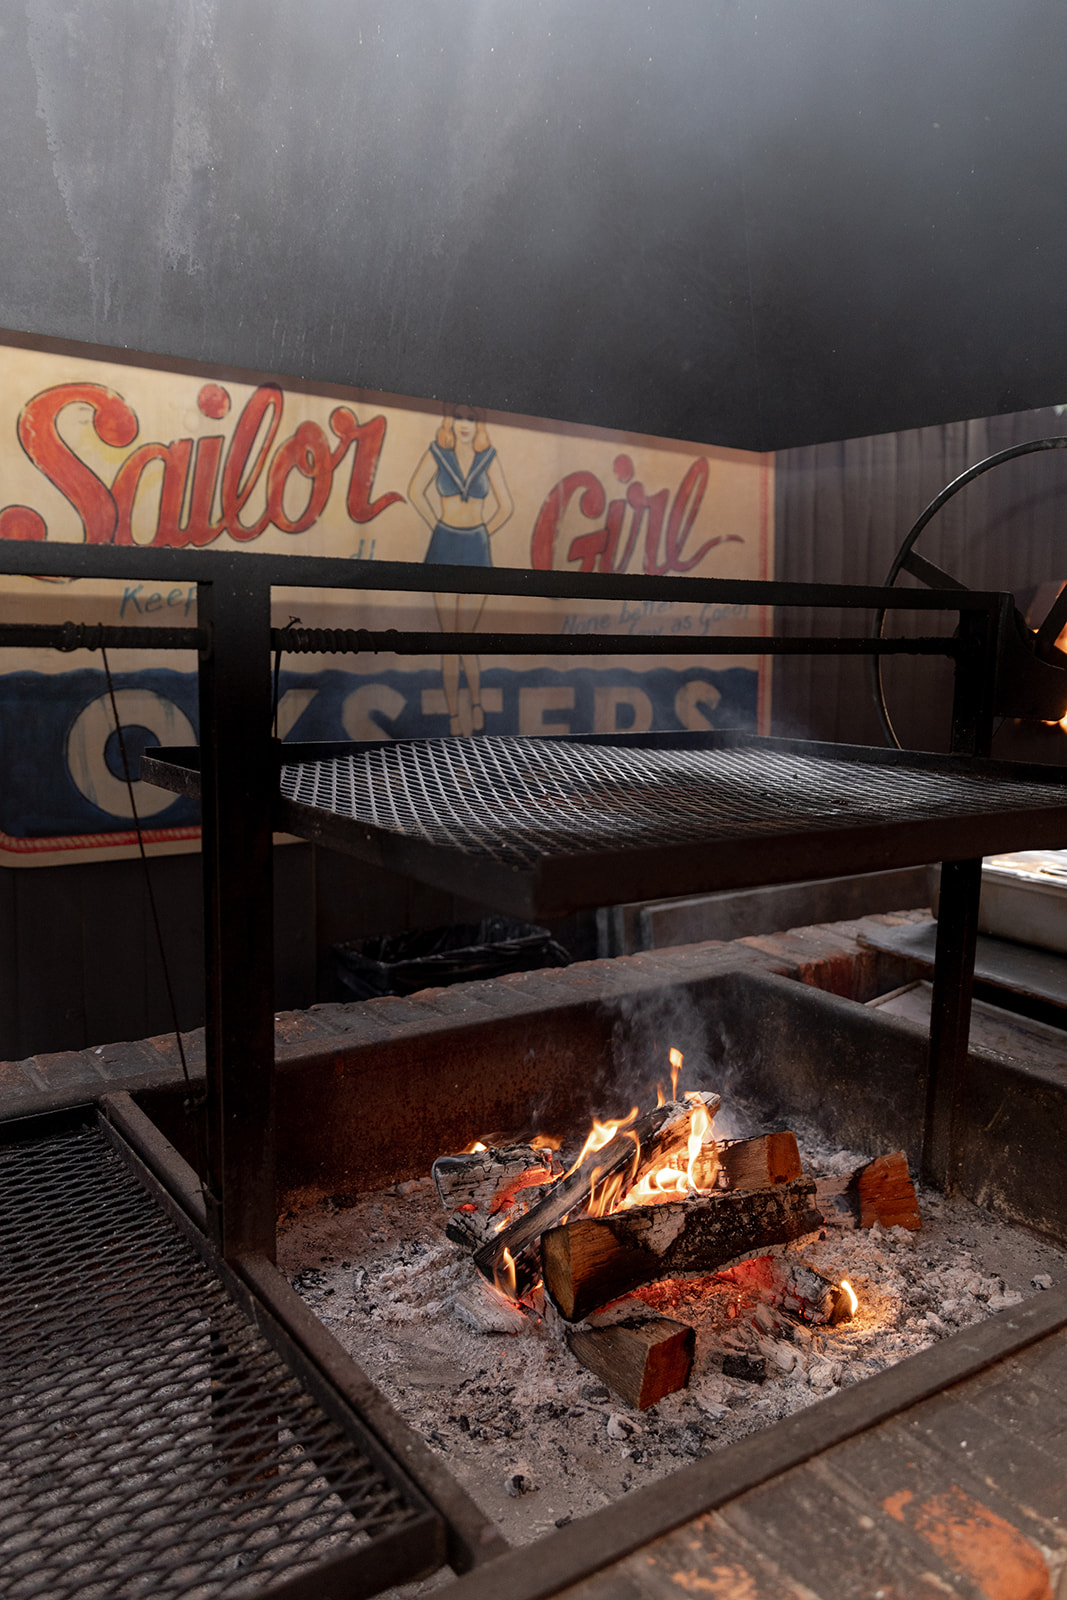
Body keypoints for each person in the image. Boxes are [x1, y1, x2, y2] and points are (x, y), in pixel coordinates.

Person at [409, 404, 513, 734]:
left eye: (470, 418)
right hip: (444, 544)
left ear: (478, 423)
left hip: (475, 548)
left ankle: (477, 705)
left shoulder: (489, 457)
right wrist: (438, 526)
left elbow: (506, 506)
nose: (464, 424)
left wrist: (481, 534)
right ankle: (454, 716)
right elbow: (414, 492)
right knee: (448, 639)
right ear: (448, 420)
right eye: (458, 417)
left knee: (467, 637)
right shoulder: (439, 453)